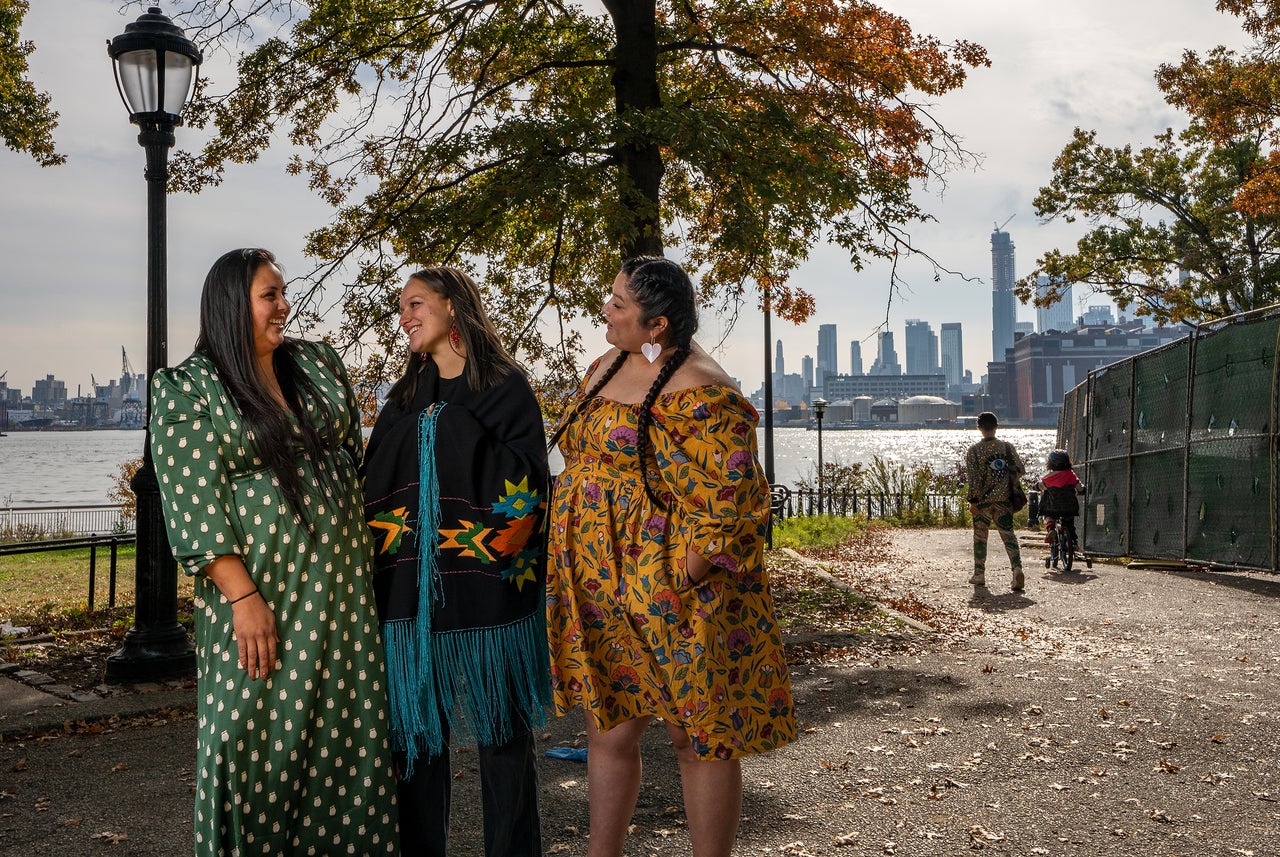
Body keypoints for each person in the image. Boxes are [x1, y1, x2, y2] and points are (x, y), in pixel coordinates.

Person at [149, 248, 398, 855]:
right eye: (271, 295)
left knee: (347, 737)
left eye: (284, 293)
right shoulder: (188, 386)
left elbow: (354, 458)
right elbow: (192, 502)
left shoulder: (314, 361)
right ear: (234, 304)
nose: (285, 306)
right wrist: (243, 597)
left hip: (343, 593)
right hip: (263, 596)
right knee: (252, 738)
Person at [546, 256, 796, 857]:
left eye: (619, 305)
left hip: (675, 587)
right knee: (609, 723)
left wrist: (681, 574)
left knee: (696, 736)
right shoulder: (605, 365)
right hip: (601, 575)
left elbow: (734, 499)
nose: (605, 310)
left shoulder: (704, 388)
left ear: (656, 324)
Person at [362, 266, 551, 856]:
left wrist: (444, 430)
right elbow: (372, 483)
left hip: (489, 593)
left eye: (416, 303)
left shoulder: (504, 387)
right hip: (409, 594)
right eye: (401, 308)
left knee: (502, 739)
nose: (406, 317)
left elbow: (529, 486)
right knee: (416, 743)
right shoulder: (404, 397)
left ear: (452, 307)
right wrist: (427, 428)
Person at [964, 411, 1026, 592]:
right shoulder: (1007, 447)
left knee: (980, 537)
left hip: (982, 502)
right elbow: (1020, 470)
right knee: (1008, 535)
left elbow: (974, 479)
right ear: (997, 426)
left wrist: (973, 500)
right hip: (1004, 500)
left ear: (979, 428)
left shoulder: (974, 451)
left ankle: (979, 574)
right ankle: (1017, 569)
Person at [1037, 449, 1084, 568]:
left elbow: (1039, 486)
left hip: (1052, 508)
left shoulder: (1047, 478)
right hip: (1069, 508)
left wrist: (1037, 486)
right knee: (1069, 523)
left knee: (1048, 516)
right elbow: (1080, 487)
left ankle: (1051, 528)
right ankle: (1073, 542)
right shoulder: (1071, 475)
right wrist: (1082, 490)